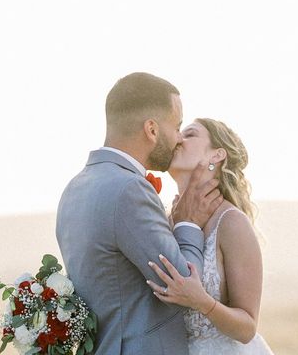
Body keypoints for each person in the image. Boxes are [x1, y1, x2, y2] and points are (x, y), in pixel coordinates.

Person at [56, 73, 223, 354]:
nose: (180, 138)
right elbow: (182, 283)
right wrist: (188, 222)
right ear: (152, 129)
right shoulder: (129, 189)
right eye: (177, 126)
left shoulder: (74, 188)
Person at [146, 118, 275, 354]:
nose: (178, 139)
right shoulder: (163, 218)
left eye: (190, 134)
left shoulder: (231, 222)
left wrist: (202, 302)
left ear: (217, 155)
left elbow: (247, 328)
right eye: (179, 132)